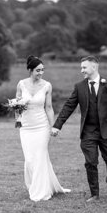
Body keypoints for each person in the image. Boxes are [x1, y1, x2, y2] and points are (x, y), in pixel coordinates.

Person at [51, 56, 107, 202]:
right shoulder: (79, 87)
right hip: (88, 132)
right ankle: (95, 194)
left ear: (94, 67)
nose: (82, 71)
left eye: (84, 67)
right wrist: (57, 125)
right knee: (91, 162)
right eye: (81, 68)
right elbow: (68, 107)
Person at [16, 55, 71, 202]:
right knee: (29, 159)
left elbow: (49, 107)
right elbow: (17, 105)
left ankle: (40, 192)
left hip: (42, 127)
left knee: (40, 157)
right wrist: (18, 119)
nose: (41, 73)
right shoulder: (21, 84)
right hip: (26, 128)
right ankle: (34, 185)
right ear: (30, 70)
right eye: (37, 70)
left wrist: (53, 126)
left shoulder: (47, 85)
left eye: (42, 70)